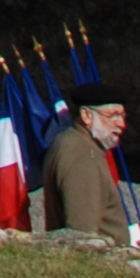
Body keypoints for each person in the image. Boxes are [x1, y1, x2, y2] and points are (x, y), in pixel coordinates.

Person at [42, 84, 130, 238]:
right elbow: (81, 233)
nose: (121, 124)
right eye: (113, 115)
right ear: (86, 116)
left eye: (122, 116)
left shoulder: (78, 144)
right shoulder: (82, 154)